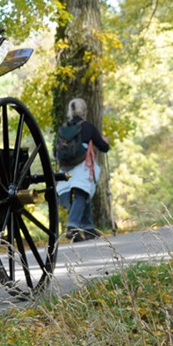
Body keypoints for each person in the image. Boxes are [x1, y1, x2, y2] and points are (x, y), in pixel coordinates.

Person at [55, 97, 111, 241]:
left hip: (66, 166)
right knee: (81, 193)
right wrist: (105, 142)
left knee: (83, 193)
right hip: (82, 165)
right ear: (84, 111)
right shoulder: (88, 127)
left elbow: (55, 152)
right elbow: (104, 148)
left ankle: (88, 229)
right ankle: (72, 227)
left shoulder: (64, 129)